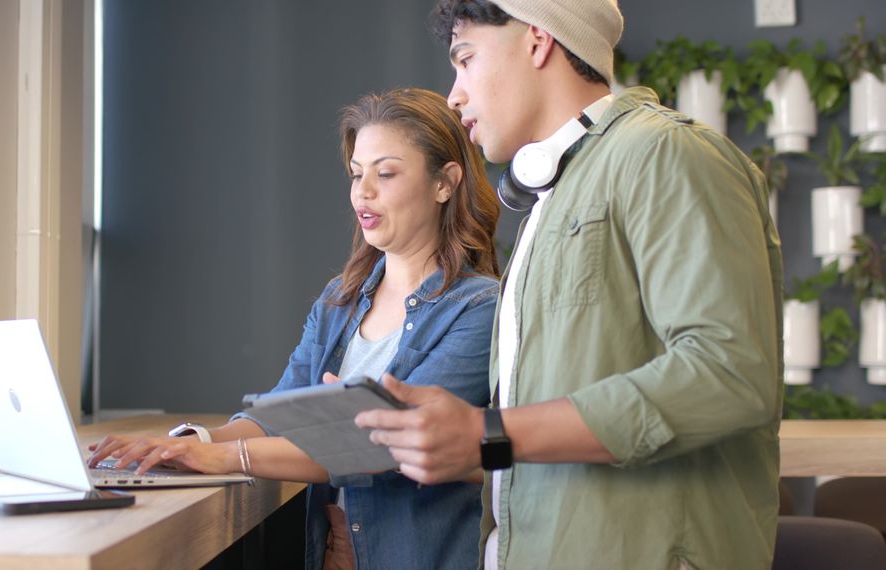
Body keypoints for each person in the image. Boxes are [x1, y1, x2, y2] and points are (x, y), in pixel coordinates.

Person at [354, 2, 784, 569]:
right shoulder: (551, 200)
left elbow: (728, 373)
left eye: (466, 59)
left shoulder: (666, 154)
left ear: (538, 41)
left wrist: (491, 433)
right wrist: (455, 442)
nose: (454, 95)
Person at [87, 87, 502, 570]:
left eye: (385, 173)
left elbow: (382, 446)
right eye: (356, 174)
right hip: (334, 550)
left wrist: (227, 458)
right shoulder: (338, 301)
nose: (362, 192)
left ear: (444, 183)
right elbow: (278, 411)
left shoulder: (477, 308)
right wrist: (191, 443)